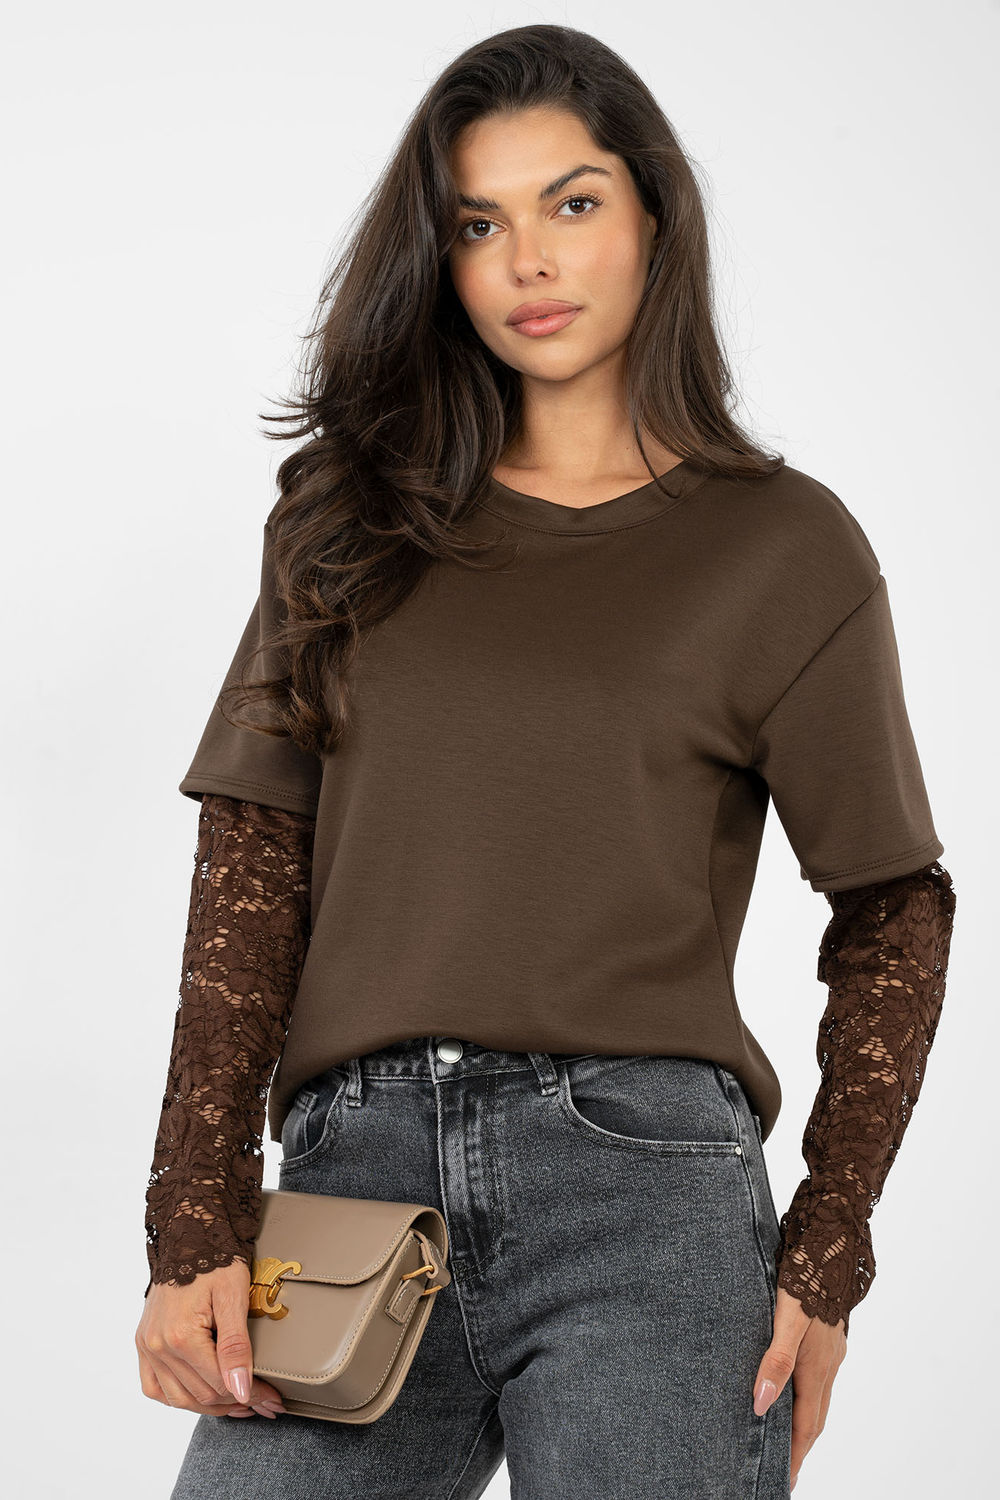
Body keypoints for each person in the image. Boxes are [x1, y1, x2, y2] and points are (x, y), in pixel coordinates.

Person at [135, 23, 956, 1500]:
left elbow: (895, 904)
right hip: (355, 1195)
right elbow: (251, 862)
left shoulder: (783, 549)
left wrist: (828, 1249)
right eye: (477, 223)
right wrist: (191, 1217)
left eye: (572, 202)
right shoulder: (346, 523)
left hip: (648, 1193)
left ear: (653, 213)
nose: (529, 259)